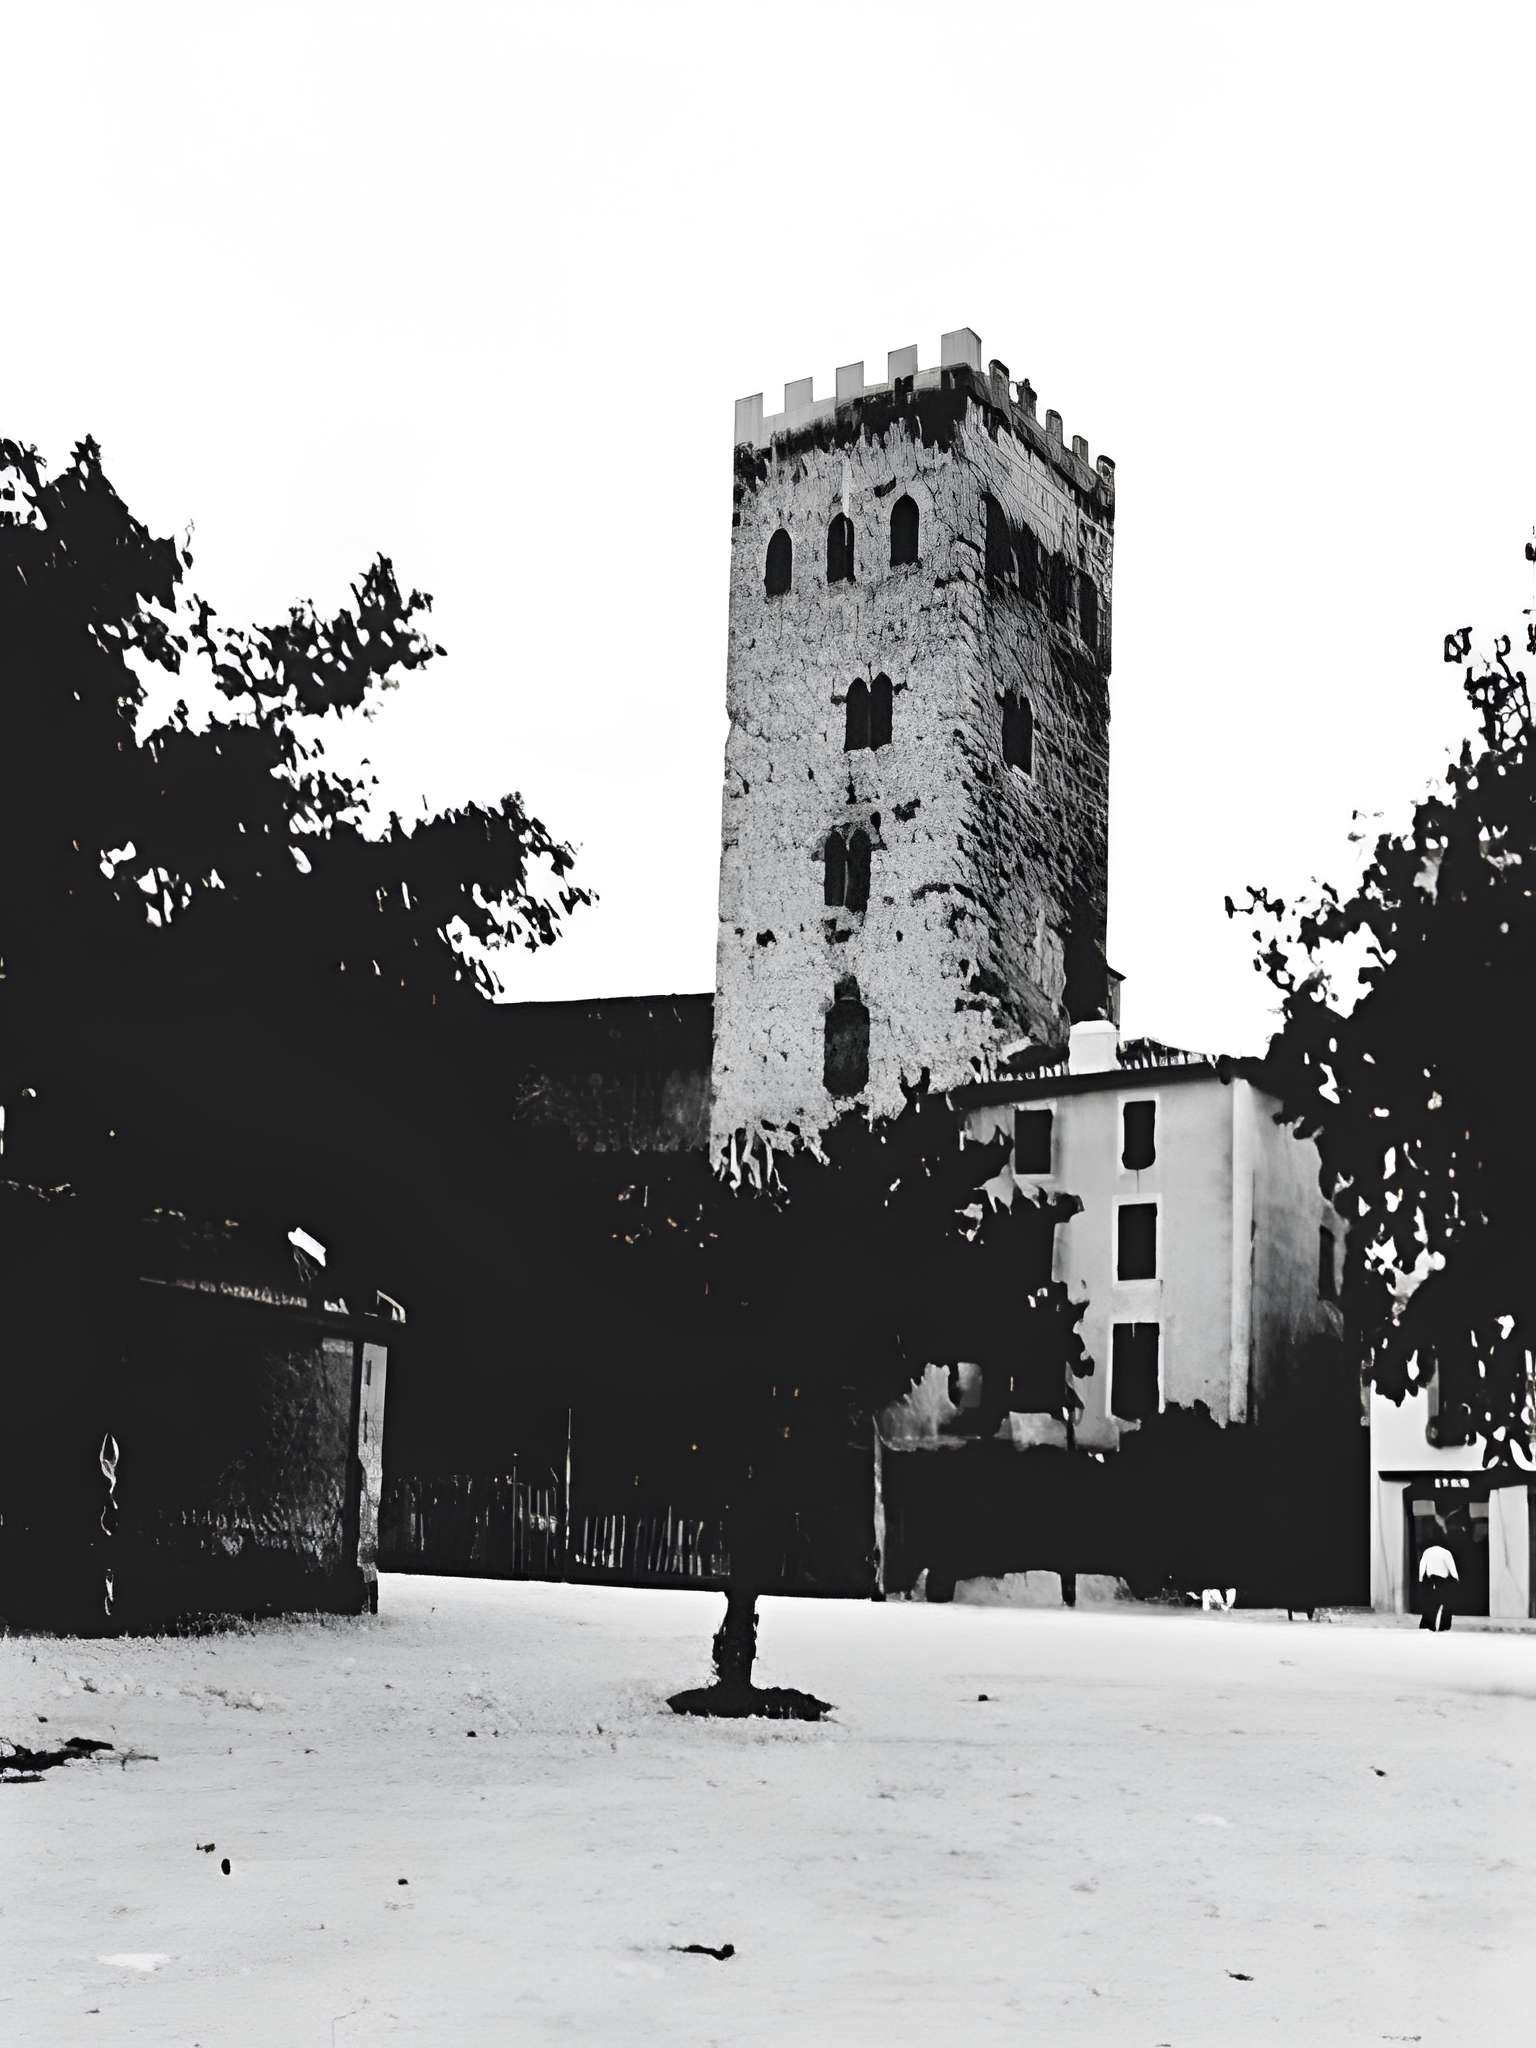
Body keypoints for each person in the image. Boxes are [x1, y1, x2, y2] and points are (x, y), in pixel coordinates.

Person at [1418, 1531, 1458, 1631]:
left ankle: (1427, 1625)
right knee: (1446, 1605)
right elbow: (1451, 1567)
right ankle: (1443, 1627)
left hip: (1430, 1580)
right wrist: (1456, 1578)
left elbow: (1422, 1565)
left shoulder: (1427, 1551)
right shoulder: (1446, 1552)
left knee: (1430, 1604)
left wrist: (1421, 1578)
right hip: (1442, 1581)